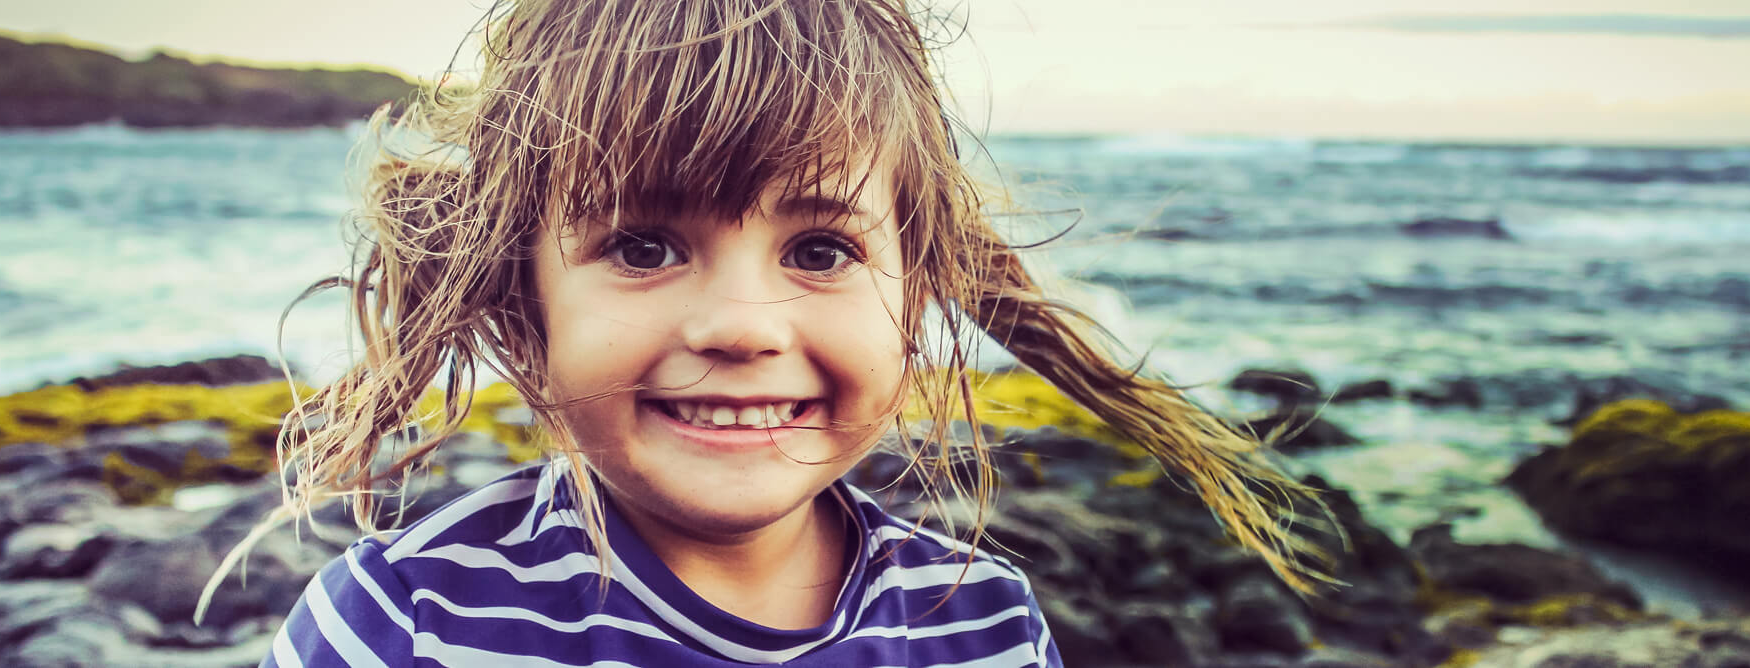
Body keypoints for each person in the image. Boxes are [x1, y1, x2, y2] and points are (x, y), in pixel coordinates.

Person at [247, 0, 1325, 665]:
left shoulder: (984, 628)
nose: (740, 327)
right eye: (641, 246)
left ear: (918, 293)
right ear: (522, 294)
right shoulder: (406, 621)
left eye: (819, 252)